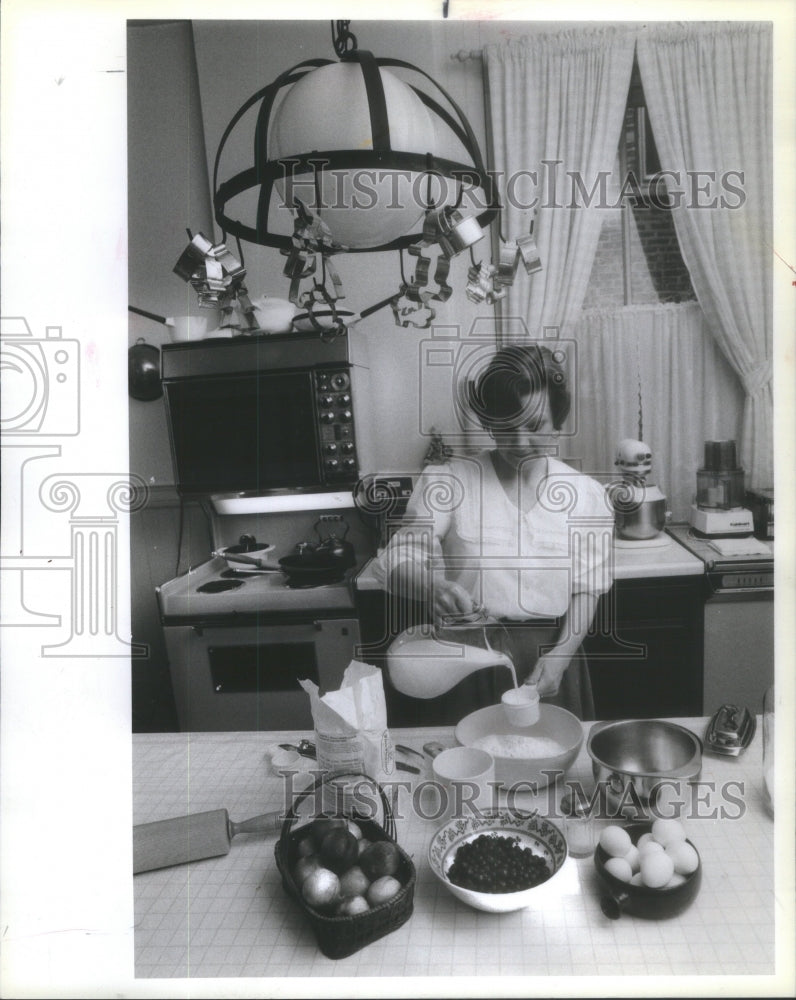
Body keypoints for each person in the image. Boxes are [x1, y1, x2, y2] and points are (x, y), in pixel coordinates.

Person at [374, 343, 614, 722]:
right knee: (472, 771)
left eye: (535, 426)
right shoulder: (449, 480)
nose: (519, 443)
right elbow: (396, 560)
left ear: (558, 421)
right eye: (505, 427)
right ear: (488, 423)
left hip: (550, 656)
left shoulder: (586, 495)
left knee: (550, 768)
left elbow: (588, 587)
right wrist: (431, 587)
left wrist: (561, 657)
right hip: (466, 658)